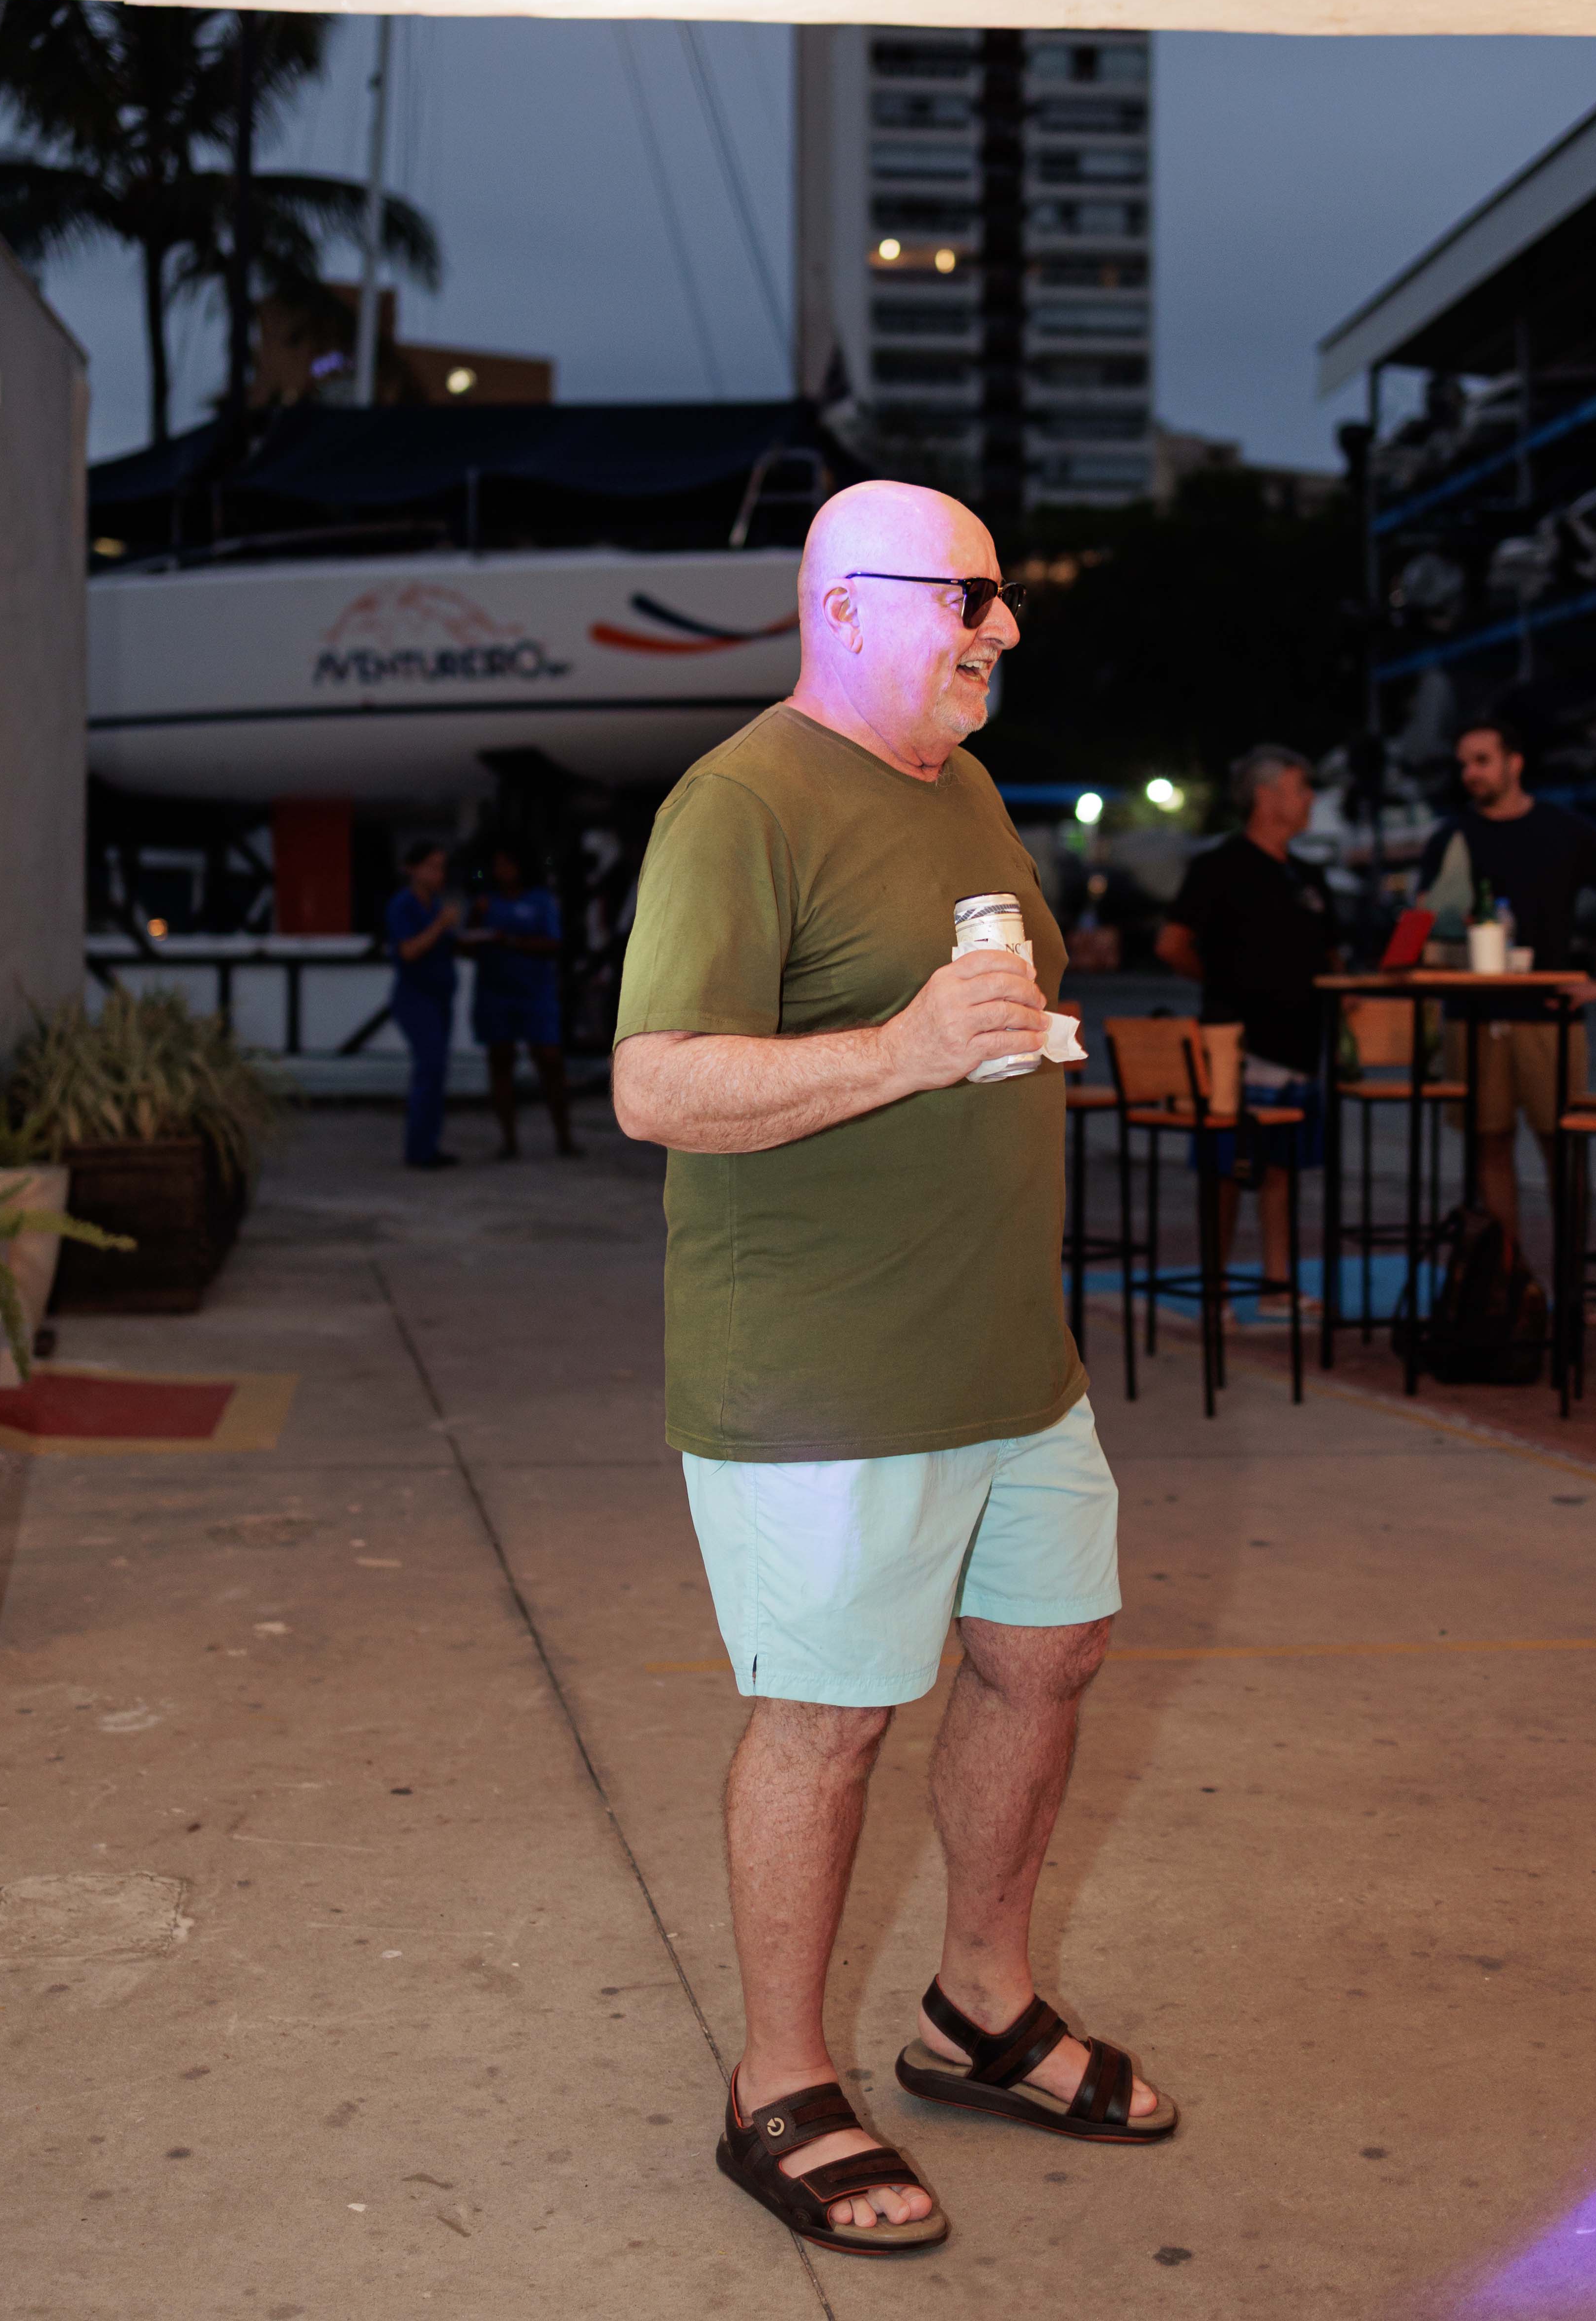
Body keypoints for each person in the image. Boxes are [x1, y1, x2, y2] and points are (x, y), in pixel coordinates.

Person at [613, 479, 1175, 2265]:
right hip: (823, 1377)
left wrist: (990, 1041)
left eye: (1000, 599)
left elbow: (973, 1022)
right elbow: (655, 1083)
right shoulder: (740, 801)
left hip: (1010, 1358)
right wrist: (906, 1049)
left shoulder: (967, 787)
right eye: (969, 595)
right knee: (828, 1718)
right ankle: (776, 2078)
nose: (1001, 627)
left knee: (1044, 1654)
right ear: (845, 604)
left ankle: (974, 2007)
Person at [1416, 716, 1596, 1261]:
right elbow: (1423, 920)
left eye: (1482, 760)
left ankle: (1570, 1278)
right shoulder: (1452, 837)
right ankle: (1507, 1276)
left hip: (1547, 1014)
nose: (1471, 773)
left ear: (1514, 762)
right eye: (1464, 764)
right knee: (1489, 1144)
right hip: (1472, 1015)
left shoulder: (1563, 829)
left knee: (1561, 1145)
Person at [1156, 745, 1338, 1312]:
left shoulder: (1306, 876)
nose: (1310, 799)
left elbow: (1330, 952)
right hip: (1235, 1041)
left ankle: (1276, 1285)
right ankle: (1215, 1286)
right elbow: (1172, 944)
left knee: (1283, 1167)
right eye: (1300, 788)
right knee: (1226, 1168)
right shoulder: (1220, 868)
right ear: (1266, 796)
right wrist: (1225, 983)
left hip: (1299, 1042)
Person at [464, 847, 578, 1160]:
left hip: (536, 994)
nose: (500, 871)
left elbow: (554, 943)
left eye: (506, 864)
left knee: (550, 1062)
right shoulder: (485, 902)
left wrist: (510, 941)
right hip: (495, 994)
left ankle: (564, 1137)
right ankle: (509, 1141)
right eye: (496, 865)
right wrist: (476, 918)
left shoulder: (540, 901)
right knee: (500, 1062)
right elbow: (467, 947)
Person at [385, 841, 461, 1171]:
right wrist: (441, 926)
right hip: (416, 997)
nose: (439, 874)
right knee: (429, 1067)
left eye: (441, 867)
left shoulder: (434, 904)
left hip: (439, 996)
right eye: (432, 867)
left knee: (436, 1070)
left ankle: (428, 1145)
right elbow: (409, 951)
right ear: (413, 870)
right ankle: (419, 1150)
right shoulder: (404, 905)